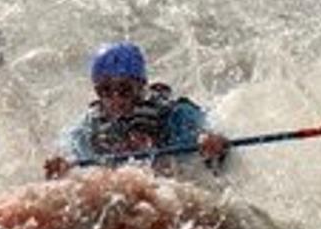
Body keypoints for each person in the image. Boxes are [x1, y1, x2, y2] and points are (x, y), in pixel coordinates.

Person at [42, 41, 228, 179]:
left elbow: (209, 126)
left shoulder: (172, 114)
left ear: (141, 87)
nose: (115, 99)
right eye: (105, 90)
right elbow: (67, 144)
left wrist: (210, 140)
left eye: (124, 89)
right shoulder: (91, 124)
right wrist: (61, 161)